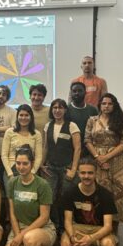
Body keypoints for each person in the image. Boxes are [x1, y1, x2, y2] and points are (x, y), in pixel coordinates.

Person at [0, 146, 56, 246]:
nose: (21, 167)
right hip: (19, 228)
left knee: (29, 240)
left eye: (25, 163)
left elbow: (44, 217)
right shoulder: (12, 183)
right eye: (18, 163)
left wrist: (21, 238)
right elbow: (12, 214)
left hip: (41, 228)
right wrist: (18, 237)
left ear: (32, 163)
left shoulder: (42, 185)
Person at [60, 158, 117, 246]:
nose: (86, 176)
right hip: (79, 227)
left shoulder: (105, 194)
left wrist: (91, 238)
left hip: (99, 228)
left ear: (96, 173)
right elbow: (67, 221)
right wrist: (72, 238)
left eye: (90, 173)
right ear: (78, 173)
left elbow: (108, 226)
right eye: (83, 173)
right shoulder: (70, 193)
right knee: (66, 245)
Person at [84, 93, 123, 223]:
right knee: (100, 190)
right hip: (97, 160)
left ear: (114, 105)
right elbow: (87, 140)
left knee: (119, 191)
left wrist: (107, 157)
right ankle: (100, 220)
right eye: (104, 103)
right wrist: (98, 157)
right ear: (99, 105)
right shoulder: (92, 120)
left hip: (117, 161)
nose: (106, 106)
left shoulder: (121, 121)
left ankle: (116, 223)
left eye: (110, 104)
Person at [41, 98, 81, 232]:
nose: (57, 110)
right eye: (54, 108)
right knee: (49, 197)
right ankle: (54, 225)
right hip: (51, 168)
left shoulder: (72, 126)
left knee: (65, 198)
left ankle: (66, 227)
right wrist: (42, 164)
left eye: (60, 108)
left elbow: (78, 149)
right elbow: (46, 147)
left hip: (66, 168)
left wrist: (74, 169)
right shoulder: (48, 125)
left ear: (65, 110)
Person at [1, 104, 43, 184]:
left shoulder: (37, 134)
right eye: (21, 115)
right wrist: (10, 174)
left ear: (31, 117)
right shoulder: (9, 132)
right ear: (17, 117)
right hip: (11, 170)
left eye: (26, 115)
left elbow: (38, 157)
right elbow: (4, 155)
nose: (23, 118)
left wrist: (32, 173)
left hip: (30, 170)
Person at [67, 82, 99, 154]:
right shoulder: (66, 110)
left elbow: (96, 131)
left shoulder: (93, 110)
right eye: (74, 91)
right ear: (71, 93)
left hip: (89, 151)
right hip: (70, 151)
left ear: (85, 92)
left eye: (80, 91)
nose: (77, 93)